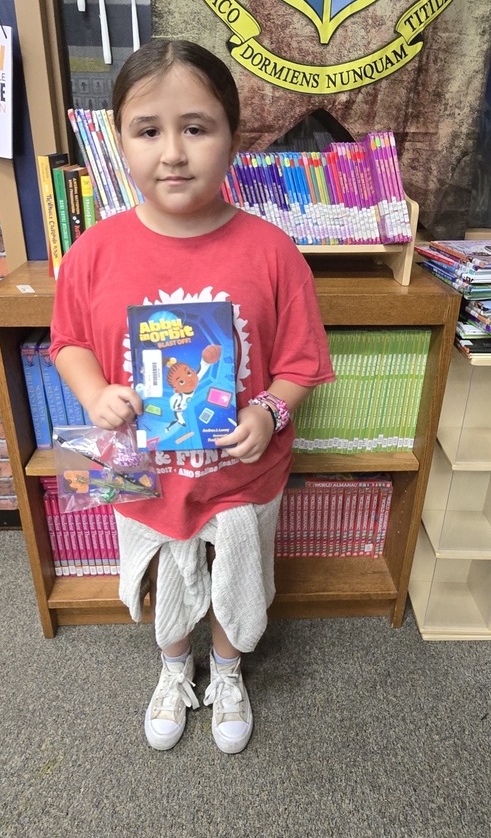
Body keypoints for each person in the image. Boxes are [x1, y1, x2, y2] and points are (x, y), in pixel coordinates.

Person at [50, 38, 334, 754]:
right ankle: (175, 668)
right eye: (148, 130)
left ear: (232, 138)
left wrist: (269, 411)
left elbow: (301, 362)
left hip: (239, 470)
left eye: (196, 128)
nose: (173, 153)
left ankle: (229, 671)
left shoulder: (272, 251)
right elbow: (69, 341)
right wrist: (94, 393)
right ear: (119, 142)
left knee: (239, 571)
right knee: (160, 573)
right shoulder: (92, 252)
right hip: (136, 463)